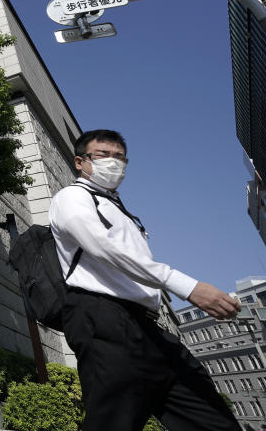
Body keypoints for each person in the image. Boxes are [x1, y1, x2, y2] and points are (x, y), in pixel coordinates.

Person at [50, 129, 241, 431]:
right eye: (103, 155)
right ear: (80, 162)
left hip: (147, 327)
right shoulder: (71, 198)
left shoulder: (119, 208)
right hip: (104, 320)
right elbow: (104, 247)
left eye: (120, 158)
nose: (113, 163)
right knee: (113, 421)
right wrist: (186, 286)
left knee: (209, 413)